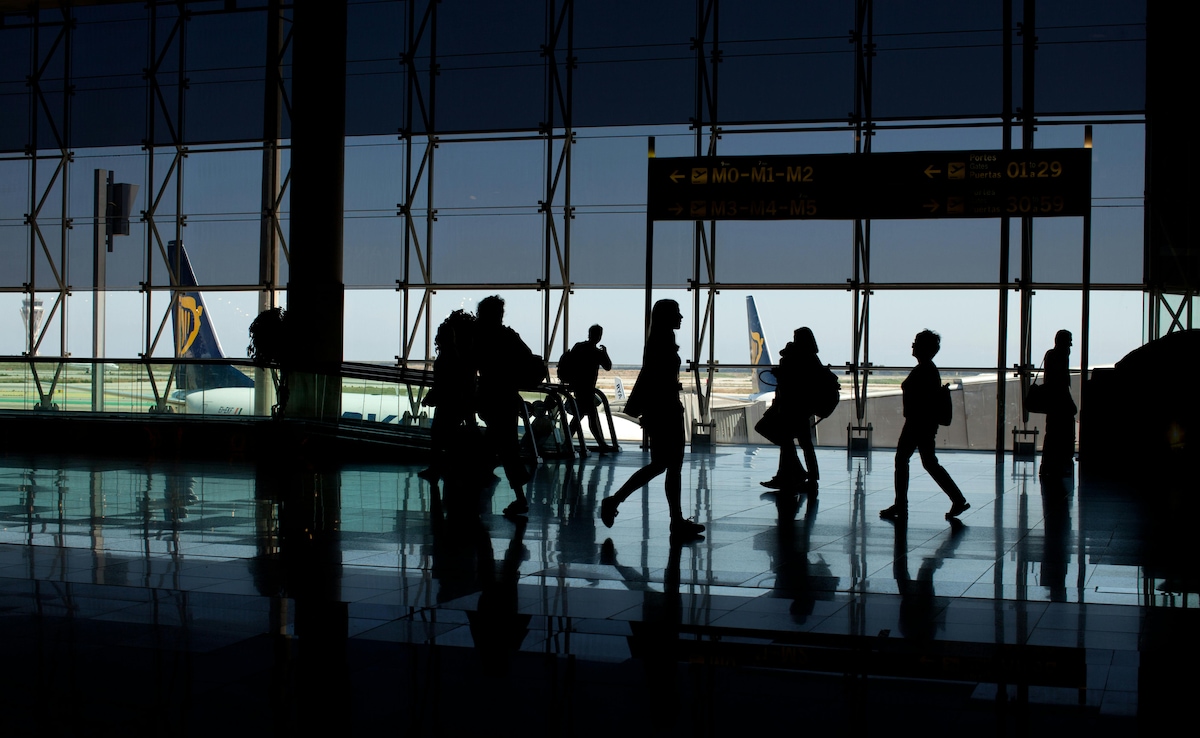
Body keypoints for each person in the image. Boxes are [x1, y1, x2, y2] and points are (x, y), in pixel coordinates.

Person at [598, 300, 705, 542]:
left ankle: (670, 518)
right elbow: (655, 379)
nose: (681, 317)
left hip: (662, 409)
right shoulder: (661, 343)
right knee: (668, 466)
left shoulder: (659, 341)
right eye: (677, 313)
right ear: (667, 317)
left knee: (663, 465)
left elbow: (650, 377)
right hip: (665, 409)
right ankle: (671, 520)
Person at [880, 330, 970, 522]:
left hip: (917, 423)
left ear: (923, 347)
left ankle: (902, 503)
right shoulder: (928, 369)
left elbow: (920, 399)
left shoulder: (924, 370)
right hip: (923, 423)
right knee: (928, 462)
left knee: (904, 459)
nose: (912, 346)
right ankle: (957, 499)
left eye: (915, 343)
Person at [474, 295, 533, 517]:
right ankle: (518, 496)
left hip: (490, 396)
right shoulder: (508, 336)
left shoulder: (479, 336)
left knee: (497, 446)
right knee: (504, 446)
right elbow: (527, 358)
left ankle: (478, 492)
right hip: (507, 397)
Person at [760, 327, 822, 494]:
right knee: (802, 443)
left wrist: (781, 374)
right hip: (802, 407)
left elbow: (792, 382)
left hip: (792, 407)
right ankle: (802, 475)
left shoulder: (797, 357)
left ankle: (794, 474)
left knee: (788, 441)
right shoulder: (812, 358)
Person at [419, 310, 477, 484]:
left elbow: (443, 382)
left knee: (438, 435)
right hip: (455, 401)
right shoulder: (457, 355)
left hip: (447, 403)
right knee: (446, 435)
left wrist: (433, 396)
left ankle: (437, 467)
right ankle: (446, 467)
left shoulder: (446, 356)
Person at [566, 324, 615, 452]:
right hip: (587, 388)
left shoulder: (579, 347)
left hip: (578, 387)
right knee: (589, 417)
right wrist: (605, 353)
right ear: (599, 336)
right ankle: (601, 444)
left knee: (580, 416)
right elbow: (608, 366)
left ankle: (568, 441)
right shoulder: (596, 352)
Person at [1040, 329, 1077, 477]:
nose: (1071, 344)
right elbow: (1061, 381)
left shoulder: (1051, 354)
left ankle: (1049, 466)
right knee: (1063, 433)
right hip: (1060, 400)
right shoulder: (1061, 355)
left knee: (1052, 434)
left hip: (1053, 401)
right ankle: (1061, 464)